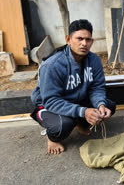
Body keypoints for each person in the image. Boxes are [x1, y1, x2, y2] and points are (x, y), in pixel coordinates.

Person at [31, 19, 116, 154]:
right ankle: (52, 137)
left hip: (77, 99)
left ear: (92, 42)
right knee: (63, 125)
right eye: (79, 39)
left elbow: (96, 87)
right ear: (68, 39)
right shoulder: (53, 65)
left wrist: (100, 104)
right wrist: (83, 111)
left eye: (88, 40)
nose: (84, 43)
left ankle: (81, 123)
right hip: (48, 105)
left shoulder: (94, 60)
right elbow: (51, 100)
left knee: (108, 106)